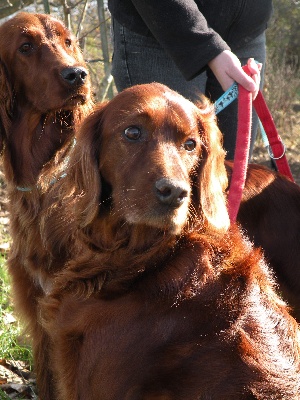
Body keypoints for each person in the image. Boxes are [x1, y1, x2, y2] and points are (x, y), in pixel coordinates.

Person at [108, 0, 273, 160]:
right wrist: (208, 48)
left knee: (233, 177)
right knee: (166, 172)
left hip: (247, 30)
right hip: (159, 25)